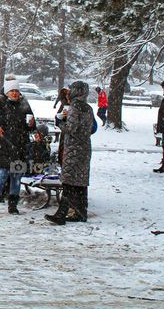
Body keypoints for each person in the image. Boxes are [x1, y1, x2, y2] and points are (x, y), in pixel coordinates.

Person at [0, 76, 36, 214]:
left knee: (16, 177)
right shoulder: (0, 103)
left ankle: (13, 206)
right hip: (4, 145)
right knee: (1, 175)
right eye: (11, 91)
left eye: (16, 91)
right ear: (6, 92)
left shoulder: (24, 103)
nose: (14, 93)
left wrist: (31, 125)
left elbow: (31, 124)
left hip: (21, 145)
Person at [45, 81, 95, 224]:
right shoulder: (88, 108)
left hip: (73, 148)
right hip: (85, 148)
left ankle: (61, 214)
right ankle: (81, 212)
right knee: (80, 182)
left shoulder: (74, 107)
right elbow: (89, 128)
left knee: (68, 182)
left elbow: (70, 128)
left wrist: (59, 121)